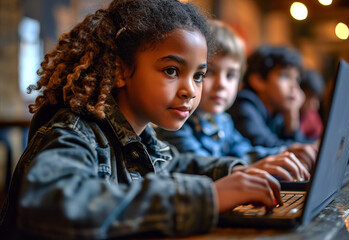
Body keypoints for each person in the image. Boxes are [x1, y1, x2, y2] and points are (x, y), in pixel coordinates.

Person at [0, 1, 284, 239]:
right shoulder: (73, 131)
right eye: (172, 70)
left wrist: (239, 172)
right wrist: (207, 197)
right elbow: (52, 203)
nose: (191, 90)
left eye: (198, 75)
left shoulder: (146, 140)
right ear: (120, 71)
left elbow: (182, 164)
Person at [156, 20, 311, 181]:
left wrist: (287, 153)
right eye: (208, 72)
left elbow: (245, 151)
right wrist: (246, 168)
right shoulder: (176, 123)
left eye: (230, 75)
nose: (221, 84)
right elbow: (199, 167)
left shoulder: (223, 121)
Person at [227, 45, 317, 152]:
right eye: (285, 76)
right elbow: (267, 146)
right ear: (258, 81)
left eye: (296, 79)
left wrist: (291, 118)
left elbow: (295, 142)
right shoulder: (244, 106)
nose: (294, 86)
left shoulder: (277, 111)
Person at [299, 69, 325, 140]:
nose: (316, 104)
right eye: (311, 97)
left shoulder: (313, 117)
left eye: (317, 99)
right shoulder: (287, 113)